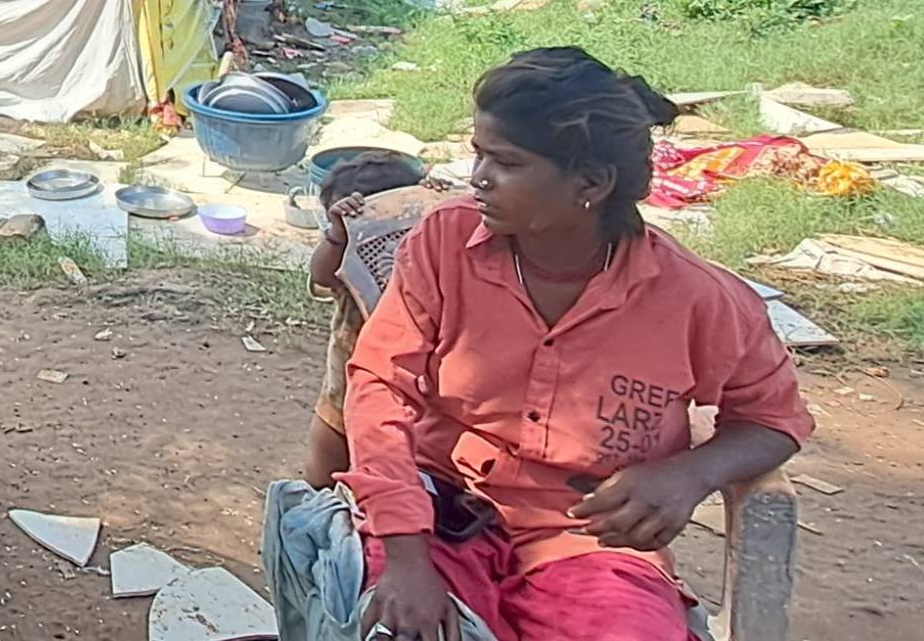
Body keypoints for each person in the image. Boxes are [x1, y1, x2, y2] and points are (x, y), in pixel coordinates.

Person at [343, 48, 814, 641]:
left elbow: (775, 419)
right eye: (479, 154)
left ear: (591, 183)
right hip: (439, 512)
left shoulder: (698, 299)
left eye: (506, 163)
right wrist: (406, 556)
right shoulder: (444, 242)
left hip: (589, 537)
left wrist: (690, 474)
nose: (478, 178)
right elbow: (379, 387)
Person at [303, 149, 434, 489]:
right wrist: (338, 234)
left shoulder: (430, 258)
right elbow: (320, 274)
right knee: (322, 475)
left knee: (390, 473)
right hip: (343, 390)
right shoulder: (347, 262)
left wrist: (434, 201)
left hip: (403, 397)